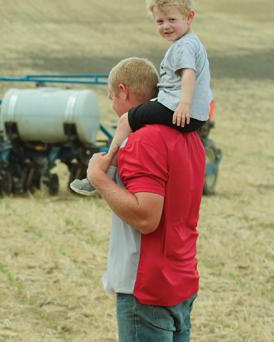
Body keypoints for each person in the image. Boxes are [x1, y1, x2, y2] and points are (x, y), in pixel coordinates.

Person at [87, 57, 204, 341]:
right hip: (181, 279)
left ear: (124, 91)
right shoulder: (190, 138)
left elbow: (146, 217)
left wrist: (98, 179)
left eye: (112, 96)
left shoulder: (144, 140)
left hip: (146, 289)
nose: (112, 104)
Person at [71, 0, 212, 196]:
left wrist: (184, 104)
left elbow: (189, 75)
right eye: (160, 21)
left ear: (190, 17)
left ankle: (104, 170)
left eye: (172, 20)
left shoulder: (183, 47)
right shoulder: (193, 43)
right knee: (141, 115)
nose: (166, 26)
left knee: (127, 120)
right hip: (190, 111)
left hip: (178, 108)